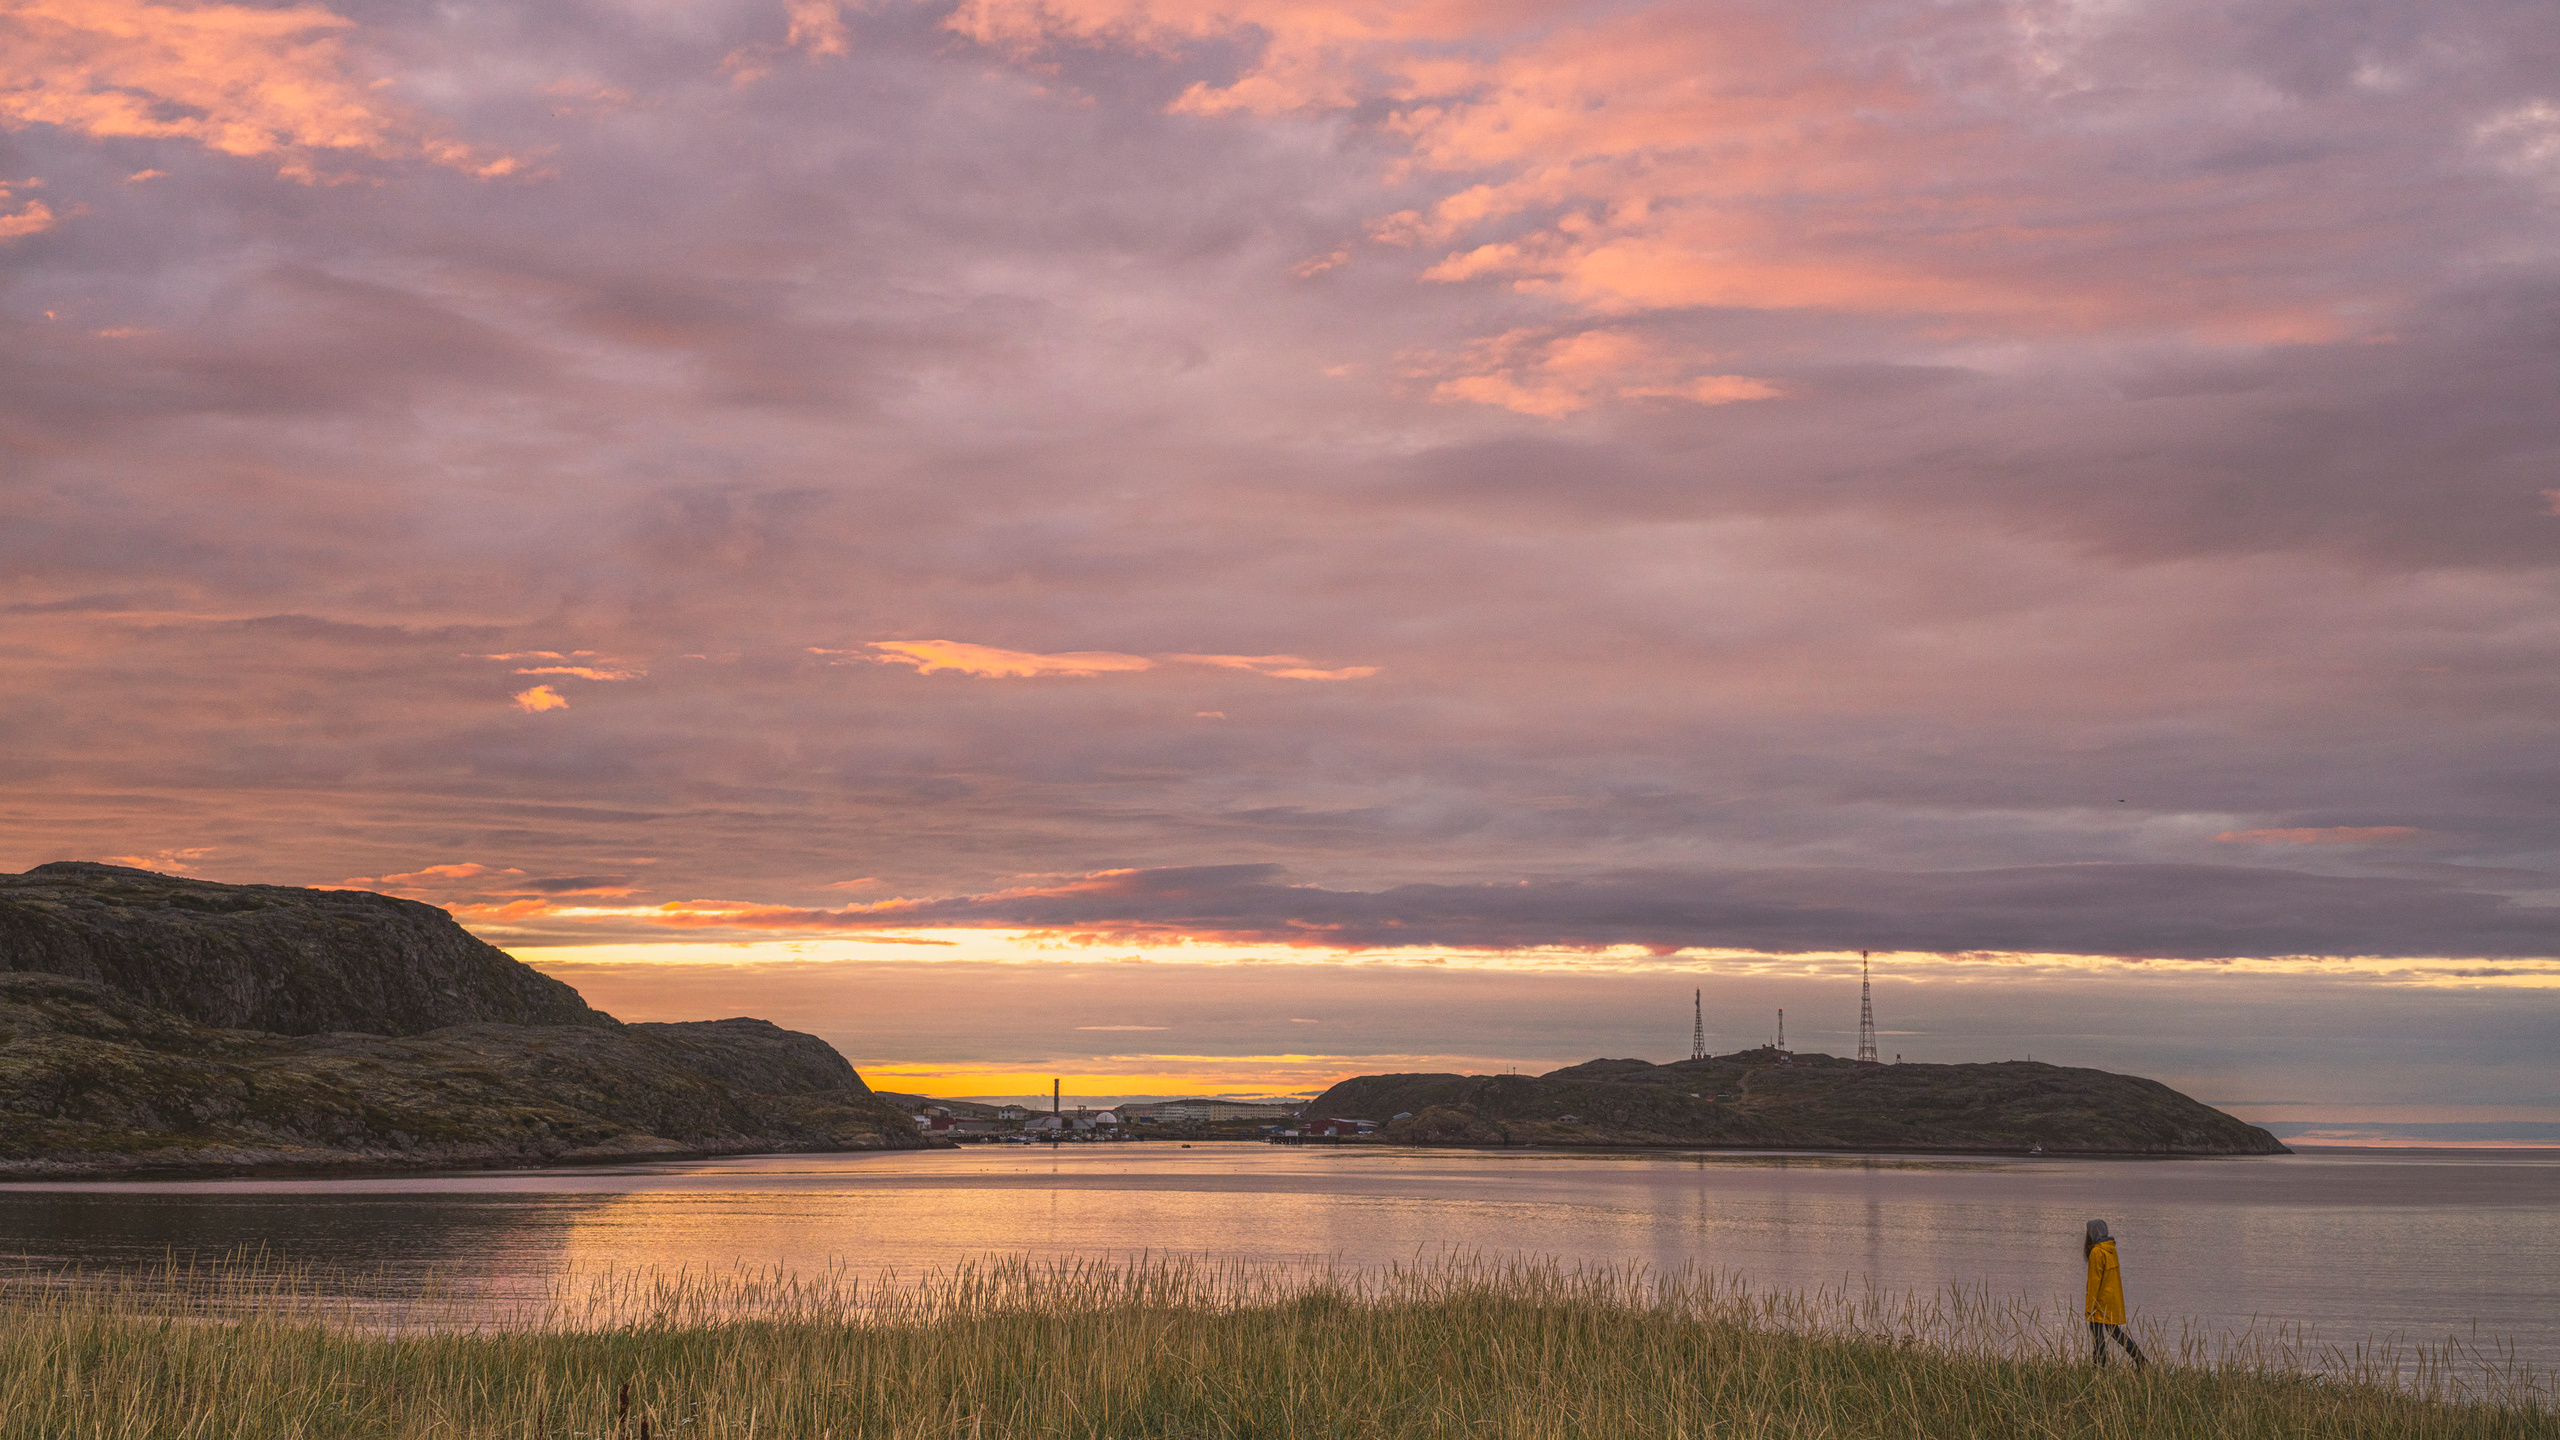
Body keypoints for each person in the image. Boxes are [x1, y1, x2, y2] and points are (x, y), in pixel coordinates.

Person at [2084, 1219, 2149, 1368]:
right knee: (2116, 1333)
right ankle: (2141, 1360)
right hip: (2113, 1299)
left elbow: (2094, 1282)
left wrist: (2090, 1306)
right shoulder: (2111, 1250)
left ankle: (2099, 1367)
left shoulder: (2097, 1252)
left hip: (2100, 1301)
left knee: (2097, 1334)